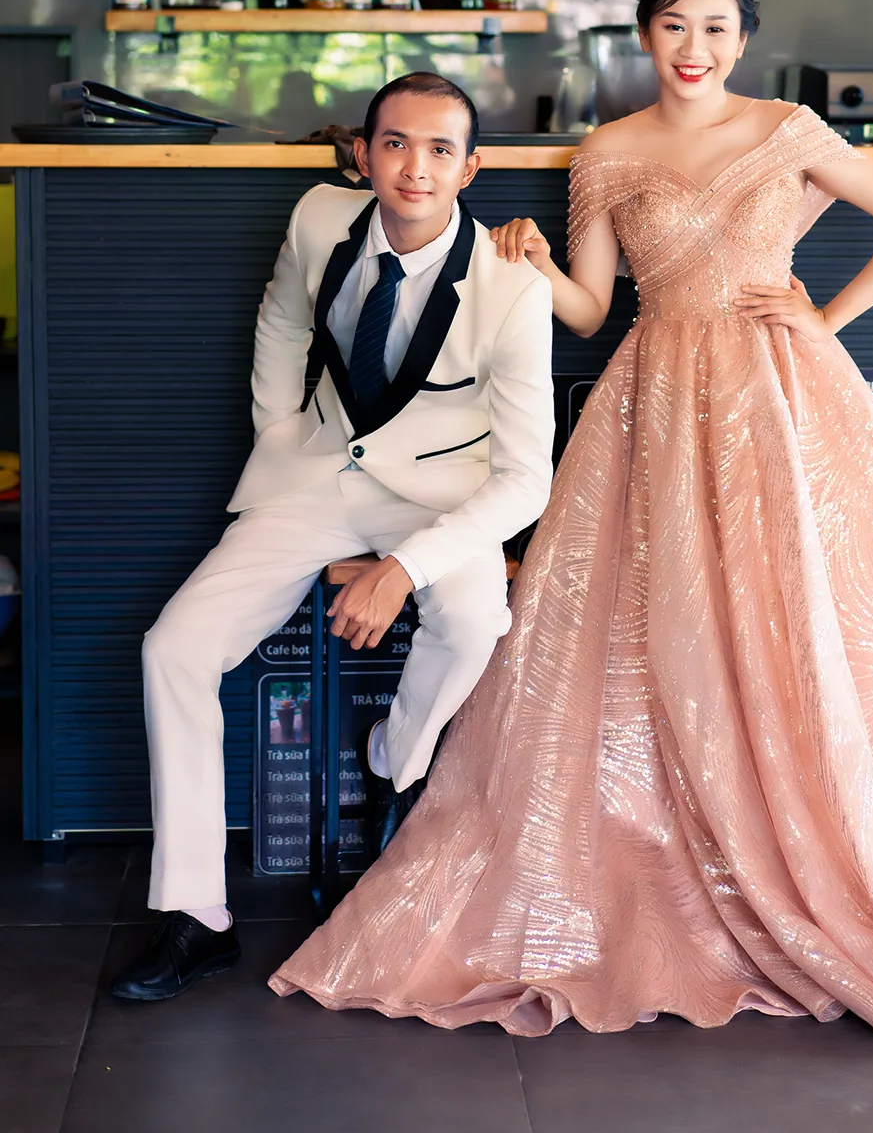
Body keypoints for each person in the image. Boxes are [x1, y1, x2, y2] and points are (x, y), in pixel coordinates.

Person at [270, 0, 873, 1055]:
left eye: (714, 28)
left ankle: (827, 822)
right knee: (649, 628)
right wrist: (534, 261)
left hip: (781, 395)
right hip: (654, 397)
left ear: (742, 38)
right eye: (674, 27)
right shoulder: (606, 153)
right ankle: (676, 842)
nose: (693, 49)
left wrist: (826, 317)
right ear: (645, 33)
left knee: (804, 614)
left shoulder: (788, 129)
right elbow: (593, 312)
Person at [111, 72, 554, 1002]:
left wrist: (402, 570)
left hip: (441, 498)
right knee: (173, 650)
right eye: (395, 143)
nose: (415, 168)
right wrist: (278, 432)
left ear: (471, 169)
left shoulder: (513, 288)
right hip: (316, 476)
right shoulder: (319, 217)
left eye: (440, 150)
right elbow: (280, 320)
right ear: (363, 153)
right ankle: (196, 912)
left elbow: (526, 480)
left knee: (475, 619)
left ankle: (394, 757)